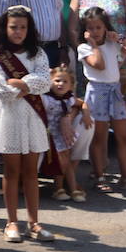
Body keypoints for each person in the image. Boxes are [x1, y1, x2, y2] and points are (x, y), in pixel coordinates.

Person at [0, 6, 54, 243]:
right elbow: (1, 92)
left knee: (31, 173)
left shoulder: (38, 54)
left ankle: (34, 223)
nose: (18, 31)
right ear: (5, 27)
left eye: (23, 27)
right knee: (12, 171)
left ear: (29, 29)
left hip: (32, 118)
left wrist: (21, 83)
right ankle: (11, 222)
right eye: (13, 27)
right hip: (9, 118)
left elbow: (46, 82)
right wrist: (27, 85)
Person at [78, 8, 126, 192]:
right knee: (99, 137)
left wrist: (120, 39)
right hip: (97, 91)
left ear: (105, 27)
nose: (95, 31)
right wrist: (93, 45)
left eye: (98, 27)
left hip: (115, 90)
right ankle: (99, 176)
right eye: (90, 28)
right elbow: (99, 65)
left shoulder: (112, 43)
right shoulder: (84, 48)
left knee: (123, 137)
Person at [43, 65, 89, 203]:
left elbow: (82, 103)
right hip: (47, 133)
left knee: (65, 158)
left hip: (62, 133)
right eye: (57, 81)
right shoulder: (45, 98)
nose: (60, 84)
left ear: (71, 85)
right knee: (62, 158)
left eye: (65, 82)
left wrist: (86, 113)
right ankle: (59, 188)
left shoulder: (69, 98)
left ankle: (70, 188)